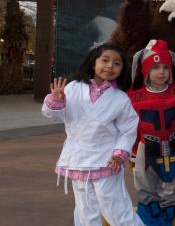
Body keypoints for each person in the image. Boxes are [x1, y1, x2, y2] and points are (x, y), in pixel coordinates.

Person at [41, 42, 144, 226]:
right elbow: (56, 116)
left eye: (117, 63)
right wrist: (55, 101)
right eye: (105, 60)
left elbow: (128, 130)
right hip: (78, 159)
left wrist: (120, 153)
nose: (110, 66)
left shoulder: (120, 98)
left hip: (106, 161)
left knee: (117, 210)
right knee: (85, 212)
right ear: (92, 63)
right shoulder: (72, 88)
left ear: (123, 69)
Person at [128, 39, 175, 226]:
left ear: (171, 70)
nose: (161, 72)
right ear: (145, 70)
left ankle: (168, 209)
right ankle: (147, 208)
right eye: (155, 68)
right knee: (144, 180)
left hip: (172, 144)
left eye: (165, 68)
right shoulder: (134, 97)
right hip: (146, 145)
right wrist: (131, 150)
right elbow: (128, 126)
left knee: (170, 182)